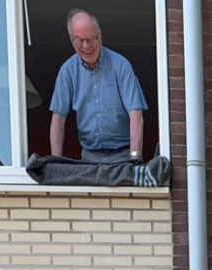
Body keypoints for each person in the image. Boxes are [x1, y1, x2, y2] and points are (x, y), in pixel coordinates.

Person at [49, 9, 148, 164]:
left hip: (123, 154)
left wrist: (135, 156)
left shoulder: (121, 65)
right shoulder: (67, 70)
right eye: (79, 40)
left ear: (100, 37)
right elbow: (58, 118)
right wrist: (56, 162)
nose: (85, 46)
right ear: (71, 40)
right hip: (89, 156)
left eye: (90, 39)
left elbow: (136, 114)